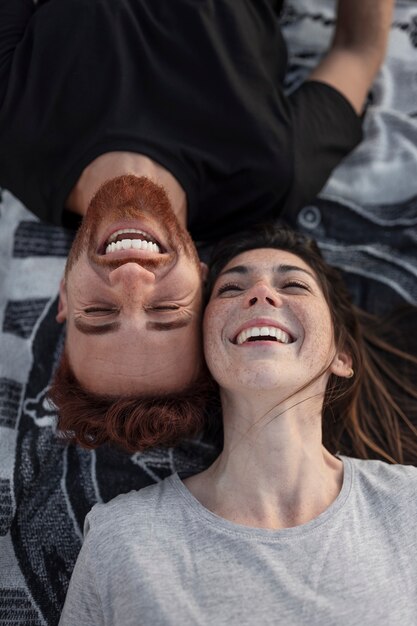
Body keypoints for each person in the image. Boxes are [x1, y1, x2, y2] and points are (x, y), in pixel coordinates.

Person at [0, 0, 394, 400]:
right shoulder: (268, 173)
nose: (132, 276)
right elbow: (357, 49)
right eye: (166, 311)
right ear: (204, 285)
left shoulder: (11, 137)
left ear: (66, 293)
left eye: (100, 313)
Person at [58, 223, 417, 625]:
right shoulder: (122, 539)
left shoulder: (409, 507)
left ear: (342, 356)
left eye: (294, 285)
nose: (260, 293)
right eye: (230, 289)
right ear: (204, 351)